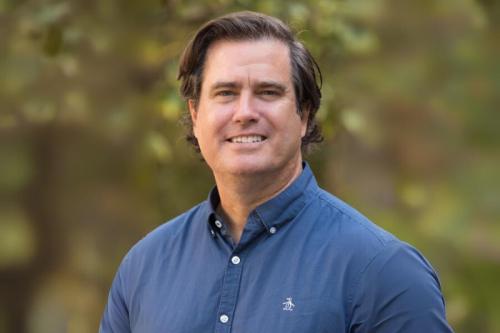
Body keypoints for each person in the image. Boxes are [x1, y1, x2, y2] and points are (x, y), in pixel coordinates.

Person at [100, 11, 454, 333]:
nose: (244, 112)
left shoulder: (383, 272)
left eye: (268, 92)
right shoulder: (144, 267)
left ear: (304, 115)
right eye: (225, 93)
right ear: (195, 115)